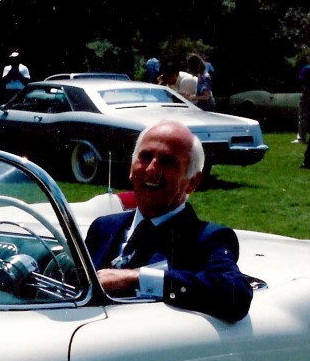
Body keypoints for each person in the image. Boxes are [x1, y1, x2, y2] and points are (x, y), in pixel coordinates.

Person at [84, 120, 252, 323]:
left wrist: (136, 279)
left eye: (167, 161)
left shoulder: (207, 239)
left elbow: (235, 294)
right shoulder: (104, 227)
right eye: (145, 157)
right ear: (131, 168)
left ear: (193, 182)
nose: (151, 169)